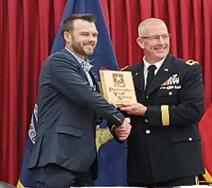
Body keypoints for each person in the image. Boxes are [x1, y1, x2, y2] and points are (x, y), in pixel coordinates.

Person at [28, 13, 131, 188]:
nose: (91, 39)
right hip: (59, 158)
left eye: (94, 35)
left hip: (82, 162)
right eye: (85, 34)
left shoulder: (87, 72)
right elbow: (87, 97)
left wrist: (114, 128)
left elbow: (91, 113)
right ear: (67, 36)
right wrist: (119, 119)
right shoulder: (58, 61)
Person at [118, 18, 205, 187]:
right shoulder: (127, 74)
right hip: (141, 166)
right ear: (140, 42)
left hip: (178, 164)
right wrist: (118, 127)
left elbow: (192, 111)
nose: (162, 43)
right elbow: (121, 114)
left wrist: (146, 112)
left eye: (165, 36)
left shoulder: (187, 70)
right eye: (155, 38)